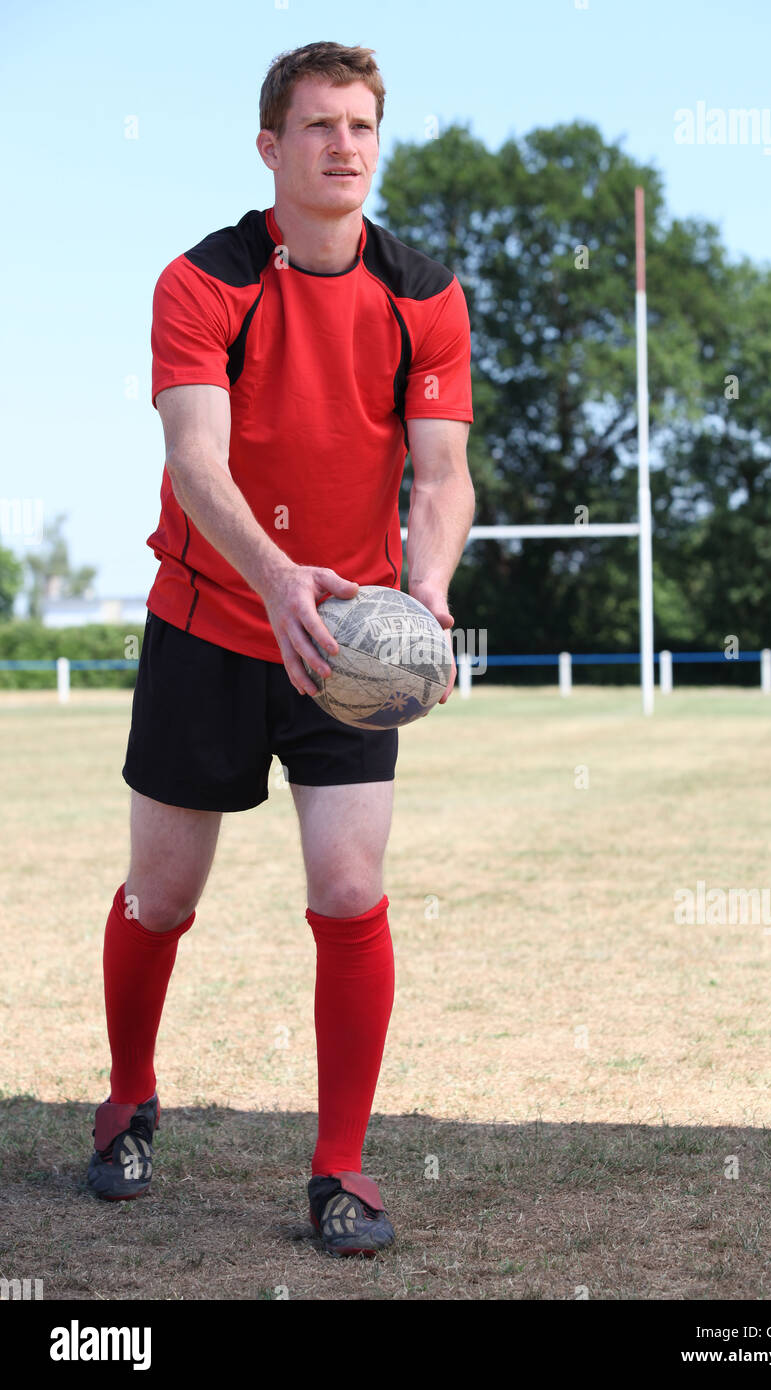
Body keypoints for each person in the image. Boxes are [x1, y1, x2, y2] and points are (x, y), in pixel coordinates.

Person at [85, 41, 475, 1258]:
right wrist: (274, 577)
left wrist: (420, 590)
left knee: (350, 889)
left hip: (348, 639)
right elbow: (195, 461)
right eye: (317, 127)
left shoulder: (424, 292)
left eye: (360, 126)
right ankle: (126, 1100)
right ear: (271, 147)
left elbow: (444, 472)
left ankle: (341, 1168)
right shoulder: (203, 281)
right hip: (209, 622)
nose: (343, 147)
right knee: (162, 895)